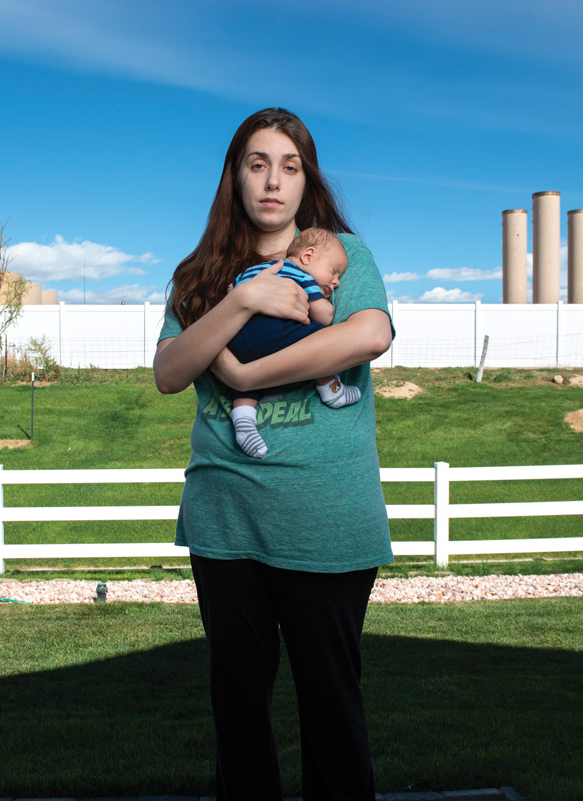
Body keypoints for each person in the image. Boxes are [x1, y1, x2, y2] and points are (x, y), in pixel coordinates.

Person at [154, 107, 394, 801]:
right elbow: (169, 371)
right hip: (226, 520)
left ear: (306, 180)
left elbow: (369, 335)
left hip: (327, 518)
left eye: (290, 167)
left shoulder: (342, 255)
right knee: (238, 712)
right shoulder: (200, 275)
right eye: (257, 164)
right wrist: (244, 300)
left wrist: (243, 375)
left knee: (332, 709)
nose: (272, 181)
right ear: (235, 176)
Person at [227, 227, 360, 459]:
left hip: (237, 340)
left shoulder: (253, 271)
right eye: (334, 271)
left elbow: (231, 295)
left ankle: (244, 421)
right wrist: (324, 300)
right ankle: (332, 389)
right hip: (273, 332)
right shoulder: (300, 275)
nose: (336, 282)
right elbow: (324, 316)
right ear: (308, 256)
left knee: (246, 387)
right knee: (321, 337)